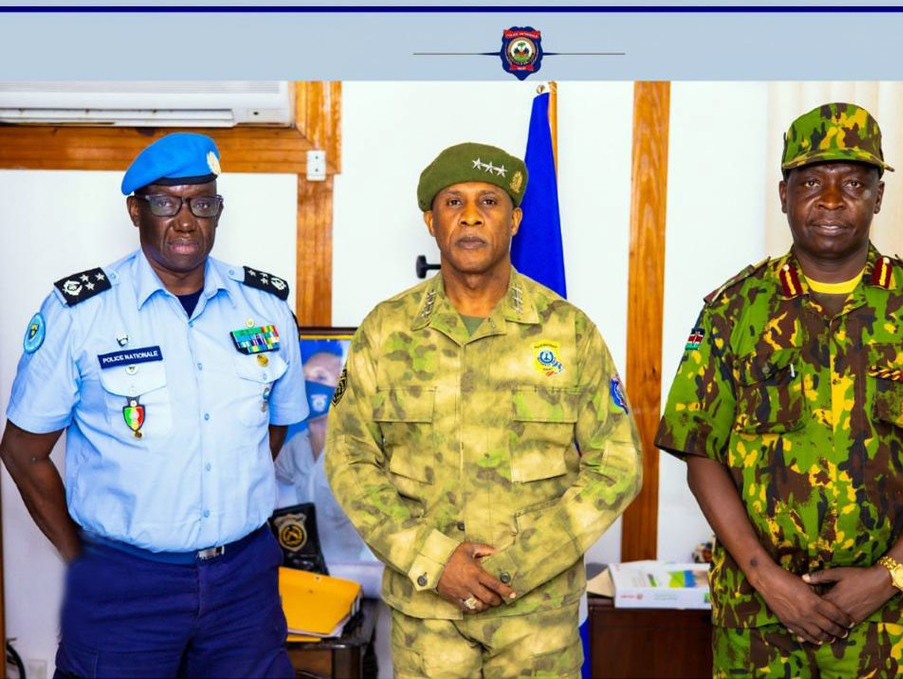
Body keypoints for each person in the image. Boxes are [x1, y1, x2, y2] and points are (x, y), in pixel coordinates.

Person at [656, 103, 903, 679]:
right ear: (784, 194)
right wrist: (769, 581)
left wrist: (887, 576)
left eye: (855, 184)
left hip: (889, 620)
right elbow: (701, 454)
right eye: (812, 182)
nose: (833, 201)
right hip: (760, 617)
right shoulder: (735, 309)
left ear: (879, 197)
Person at [324, 142, 642, 679]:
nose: (471, 216)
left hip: (536, 622)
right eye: (454, 202)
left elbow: (618, 467)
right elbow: (349, 460)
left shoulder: (569, 331)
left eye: (489, 202)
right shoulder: (386, 330)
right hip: (429, 620)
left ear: (515, 220)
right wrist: (436, 561)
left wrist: (516, 569)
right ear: (430, 221)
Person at [0, 132, 308, 678]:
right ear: (135, 210)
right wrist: (83, 559)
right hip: (125, 584)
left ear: (218, 211)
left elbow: (274, 428)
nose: (187, 220)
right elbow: (23, 451)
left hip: (243, 583)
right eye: (167, 203)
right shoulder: (80, 314)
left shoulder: (265, 307)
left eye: (203, 203)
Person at [274, 347, 381, 592]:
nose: (310, 385)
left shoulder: (359, 449)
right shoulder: (294, 447)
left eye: (321, 377)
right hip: (302, 577)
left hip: (357, 578)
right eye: (305, 377)